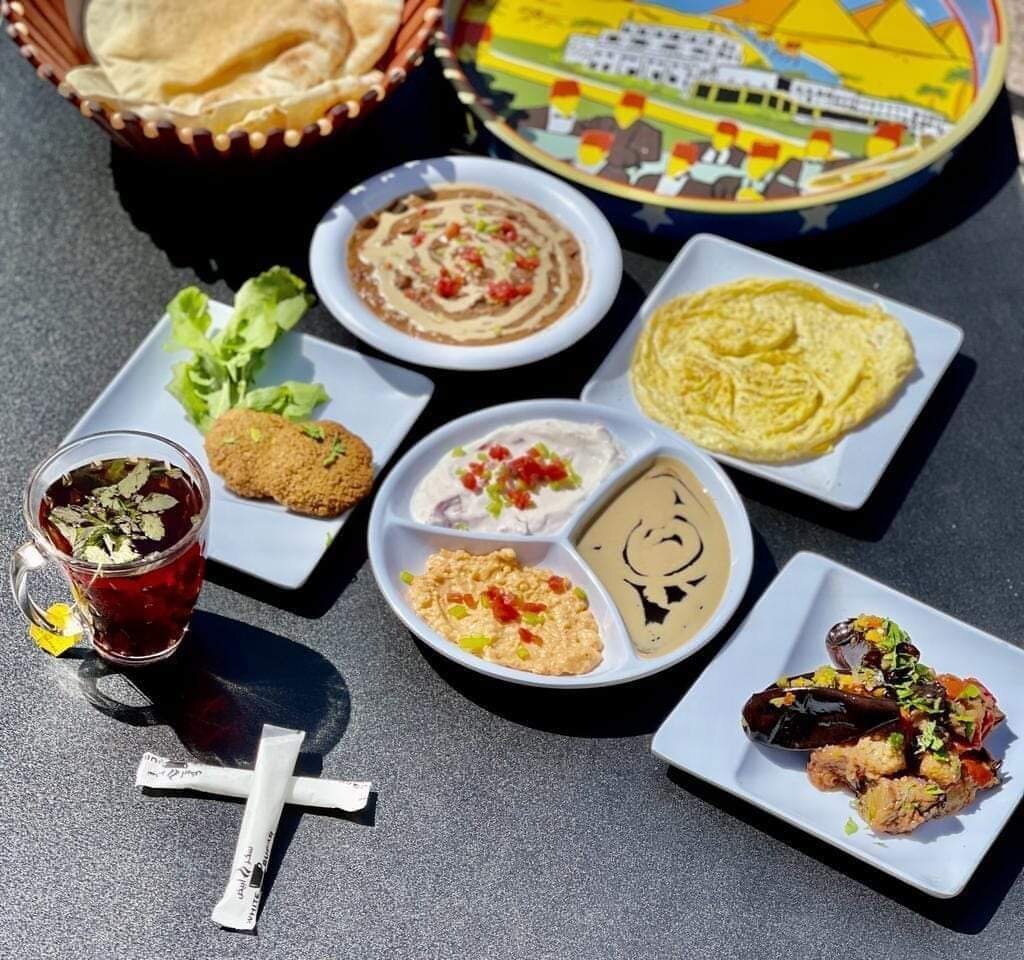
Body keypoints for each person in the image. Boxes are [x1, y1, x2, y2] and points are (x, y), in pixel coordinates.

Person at [577, 91, 662, 183]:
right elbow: (577, 128)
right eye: (622, 109)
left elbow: (654, 161)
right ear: (616, 108)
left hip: (626, 174)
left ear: (639, 114)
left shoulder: (651, 133)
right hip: (591, 166)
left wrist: (630, 158)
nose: (624, 113)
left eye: (630, 111)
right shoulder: (602, 122)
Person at [636, 141, 707, 197]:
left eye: (680, 164)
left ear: (689, 166)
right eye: (673, 161)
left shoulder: (697, 190)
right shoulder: (645, 179)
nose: (674, 166)